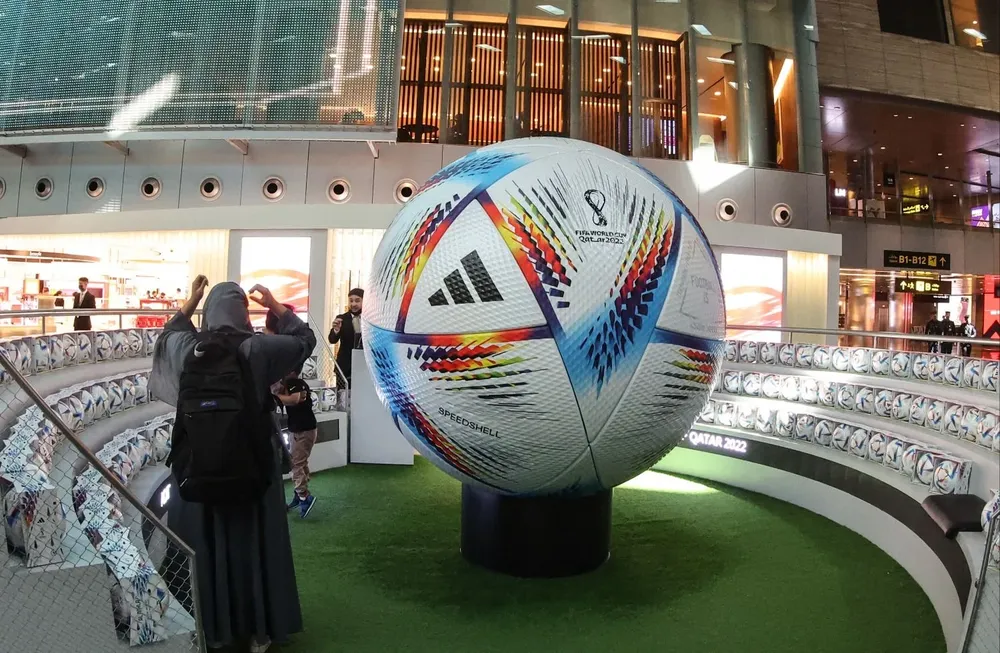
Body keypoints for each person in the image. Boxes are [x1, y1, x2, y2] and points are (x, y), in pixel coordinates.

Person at [151, 277, 315, 652]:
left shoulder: (185, 347)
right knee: (257, 542)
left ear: (208, 310)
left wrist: (189, 302)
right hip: (253, 466)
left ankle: (209, 627)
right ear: (243, 311)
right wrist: (274, 306)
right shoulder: (258, 348)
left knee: (202, 544)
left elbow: (166, 336)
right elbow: (306, 340)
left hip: (196, 469)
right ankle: (259, 629)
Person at [274, 367, 318, 517]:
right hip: (300, 430)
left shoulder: (295, 383)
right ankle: (299, 495)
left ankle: (304, 497)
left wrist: (273, 397)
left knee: (296, 464)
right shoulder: (292, 383)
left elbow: (295, 398)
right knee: (301, 462)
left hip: (303, 430)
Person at [328, 288, 364, 388]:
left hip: (363, 366)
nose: (353, 304)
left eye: (357, 300)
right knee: (342, 398)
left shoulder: (369, 319)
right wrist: (336, 330)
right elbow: (332, 339)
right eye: (351, 301)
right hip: (344, 366)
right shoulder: (341, 318)